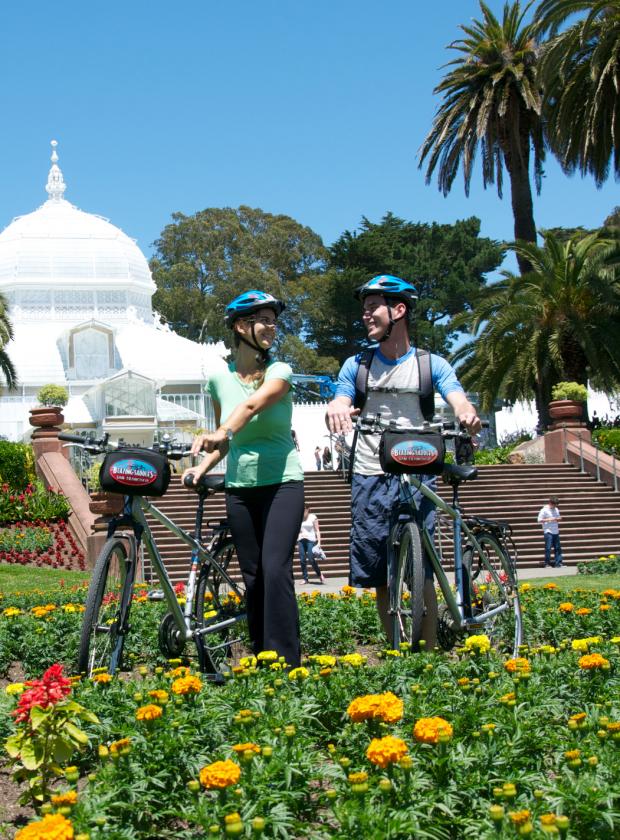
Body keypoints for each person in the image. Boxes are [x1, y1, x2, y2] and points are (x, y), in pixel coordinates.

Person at [325, 274, 480, 648]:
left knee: (422, 567)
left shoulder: (431, 365)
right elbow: (342, 398)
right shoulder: (357, 365)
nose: (366, 316)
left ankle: (428, 651)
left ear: (398, 310)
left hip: (419, 468)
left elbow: (457, 397)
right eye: (363, 309)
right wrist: (336, 407)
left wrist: (466, 411)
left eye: (372, 308)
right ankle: (395, 646)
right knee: (378, 567)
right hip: (369, 471)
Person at [182, 290, 304, 668]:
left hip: (283, 483)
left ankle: (287, 663)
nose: (271, 327)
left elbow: (248, 409)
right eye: (262, 319)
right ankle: (262, 657)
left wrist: (221, 433)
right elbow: (226, 436)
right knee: (252, 576)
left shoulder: (280, 372)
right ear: (241, 326)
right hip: (240, 488)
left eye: (273, 320)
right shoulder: (218, 380)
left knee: (274, 567)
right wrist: (203, 466)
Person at [297, 505, 327, 584]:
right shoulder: (298, 517)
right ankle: (305, 578)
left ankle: (319, 574)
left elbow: (317, 530)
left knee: (311, 558)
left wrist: (319, 542)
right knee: (302, 559)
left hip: (311, 540)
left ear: (308, 509)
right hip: (301, 540)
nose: (303, 511)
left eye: (304, 509)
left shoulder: (313, 517)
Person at [537, 496, 563, 568]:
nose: (555, 506)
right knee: (548, 548)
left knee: (557, 547)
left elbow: (558, 517)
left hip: (556, 531)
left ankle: (558, 563)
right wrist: (548, 519)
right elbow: (539, 520)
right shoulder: (544, 510)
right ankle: (547, 563)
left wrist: (558, 519)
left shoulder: (556, 509)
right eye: (554, 504)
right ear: (550, 503)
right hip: (548, 531)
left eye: (556, 505)